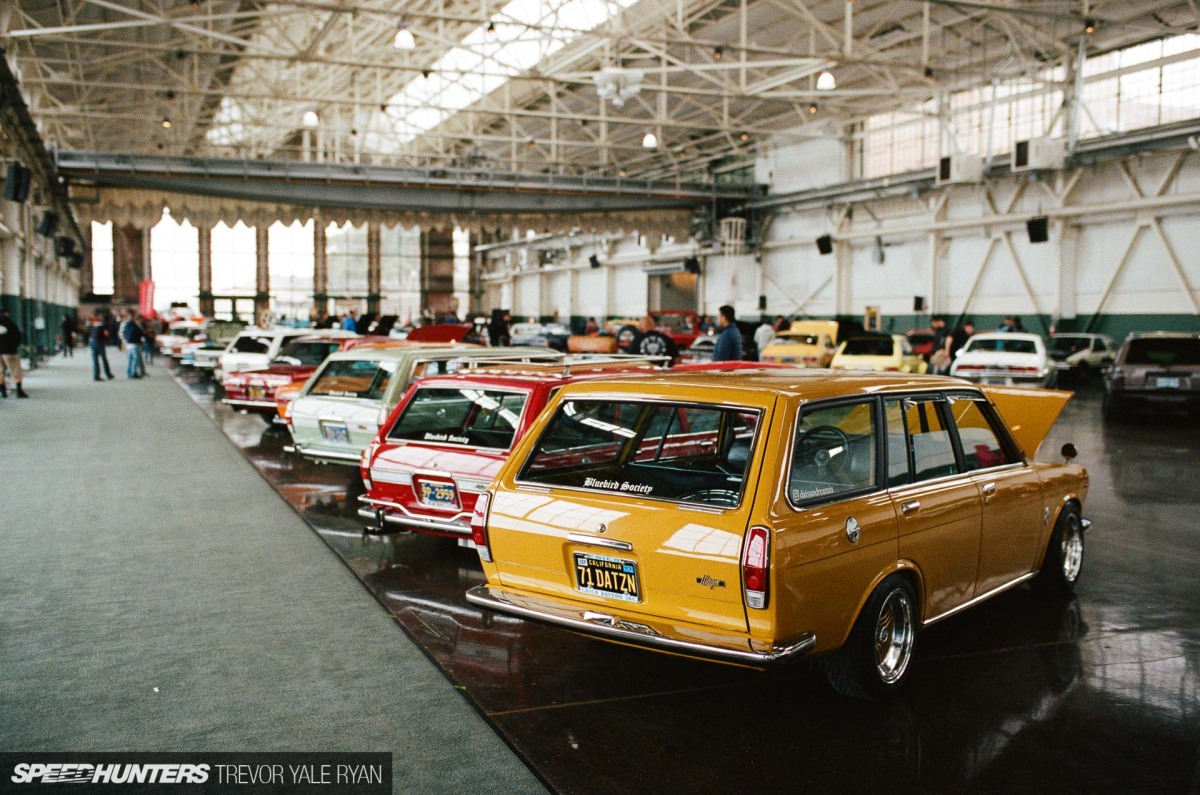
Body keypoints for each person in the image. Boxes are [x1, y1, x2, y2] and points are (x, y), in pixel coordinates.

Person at [0, 307, 28, 398]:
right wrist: (13, 346)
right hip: (9, 352)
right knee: (16, 371)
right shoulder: (11, 324)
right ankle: (19, 391)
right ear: (7, 313)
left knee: (0, 372)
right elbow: (17, 338)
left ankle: (2, 391)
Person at [119, 312, 146, 378]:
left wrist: (125, 341)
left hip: (128, 344)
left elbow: (123, 333)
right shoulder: (136, 326)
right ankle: (134, 373)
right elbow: (142, 334)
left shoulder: (126, 325)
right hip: (135, 344)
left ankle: (129, 373)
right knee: (135, 359)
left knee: (129, 359)